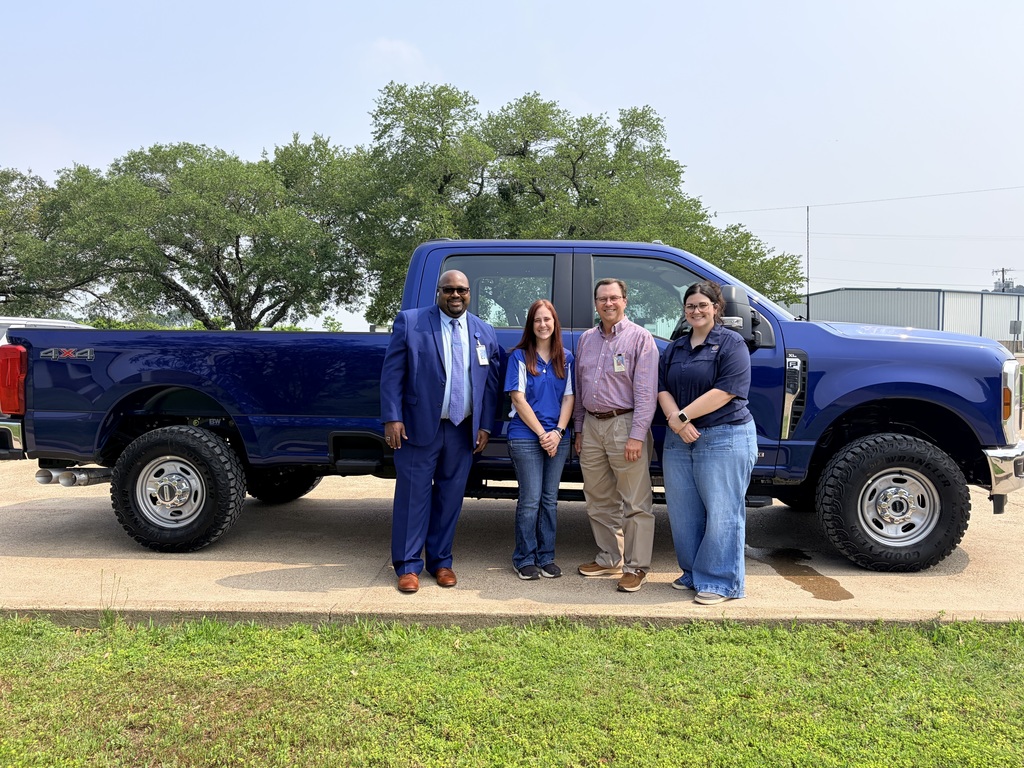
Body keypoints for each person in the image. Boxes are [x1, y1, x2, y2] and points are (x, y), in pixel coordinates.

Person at [380, 269, 501, 594]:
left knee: (450, 498)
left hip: (463, 431)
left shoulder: (483, 331)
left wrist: (486, 426)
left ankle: (441, 562)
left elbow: (489, 387)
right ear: (438, 292)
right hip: (418, 428)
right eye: (449, 290)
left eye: (462, 290)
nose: (456, 295)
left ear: (469, 293)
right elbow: (392, 375)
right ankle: (407, 566)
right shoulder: (411, 323)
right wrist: (392, 418)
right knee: (412, 496)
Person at [657, 280, 757, 605]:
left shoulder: (731, 344)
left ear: (716, 307)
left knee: (722, 512)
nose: (696, 310)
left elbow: (727, 389)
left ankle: (720, 581)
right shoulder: (675, 348)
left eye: (703, 305)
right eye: (690, 306)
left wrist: (682, 418)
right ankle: (692, 573)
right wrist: (676, 420)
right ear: (684, 311)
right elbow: (661, 387)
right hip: (679, 439)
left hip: (723, 435)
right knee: (684, 513)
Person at [572, 278, 659, 592]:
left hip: (626, 423)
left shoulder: (640, 339)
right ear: (595, 303)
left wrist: (637, 436)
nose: (608, 304)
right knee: (598, 498)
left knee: (635, 502)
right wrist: (580, 430)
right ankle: (610, 557)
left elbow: (647, 394)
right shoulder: (585, 340)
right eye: (601, 299)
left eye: (613, 298)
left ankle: (636, 567)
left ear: (625, 300)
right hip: (592, 427)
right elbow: (580, 390)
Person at [504, 300, 575, 580]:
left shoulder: (566, 358)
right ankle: (524, 558)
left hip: (557, 437)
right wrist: (543, 434)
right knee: (531, 499)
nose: (543, 325)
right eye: (537, 320)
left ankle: (546, 557)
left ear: (555, 323)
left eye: (548, 319)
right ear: (530, 325)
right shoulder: (519, 357)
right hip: (526, 436)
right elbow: (517, 399)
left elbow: (569, 397)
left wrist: (557, 432)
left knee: (549, 500)